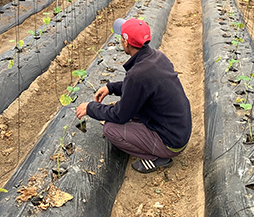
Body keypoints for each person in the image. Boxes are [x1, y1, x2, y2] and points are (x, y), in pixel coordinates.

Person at [76, 18, 192, 174]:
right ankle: (156, 144)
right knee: (132, 111)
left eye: (121, 37)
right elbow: (139, 88)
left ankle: (158, 158)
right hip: (179, 130)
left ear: (125, 42)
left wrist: (91, 108)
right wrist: (110, 88)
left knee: (111, 129)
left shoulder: (138, 74)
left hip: (171, 142)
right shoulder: (158, 57)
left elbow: (120, 116)